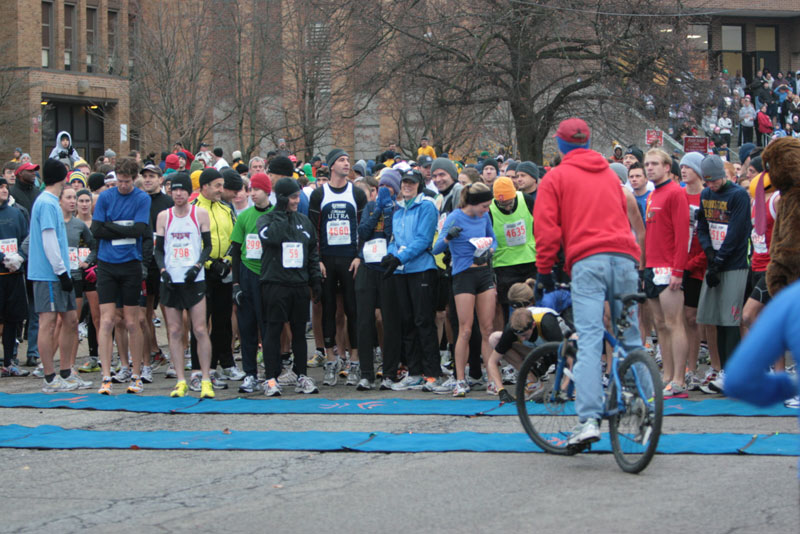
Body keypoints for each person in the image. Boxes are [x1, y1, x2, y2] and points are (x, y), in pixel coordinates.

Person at [534, 118, 643, 447]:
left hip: (588, 260)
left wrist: (544, 270)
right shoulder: (611, 174)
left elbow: (547, 228)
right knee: (632, 338)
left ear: (562, 145)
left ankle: (589, 419)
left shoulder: (556, 177)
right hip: (624, 258)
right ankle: (643, 411)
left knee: (591, 339)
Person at [90, 157, 151, 395]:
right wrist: (122, 228)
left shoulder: (141, 198)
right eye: (120, 181)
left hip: (130, 265)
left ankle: (136, 374)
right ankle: (106, 375)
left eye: (127, 181)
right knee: (106, 320)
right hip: (107, 264)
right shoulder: (106, 197)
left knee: (131, 321)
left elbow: (139, 230)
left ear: (134, 179)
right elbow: (96, 230)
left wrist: (111, 226)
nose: (123, 186)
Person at [257, 177, 322, 396]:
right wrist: (281, 213)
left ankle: (301, 374)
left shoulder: (304, 222)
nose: (297, 201)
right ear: (283, 198)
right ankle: (271, 378)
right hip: (275, 284)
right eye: (293, 197)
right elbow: (272, 238)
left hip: (298, 284)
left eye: (297, 196)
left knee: (299, 332)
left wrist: (315, 281)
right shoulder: (266, 219)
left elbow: (312, 253)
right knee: (274, 330)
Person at [432, 182, 497, 396]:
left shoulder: (484, 217)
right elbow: (437, 249)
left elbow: (493, 239)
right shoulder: (455, 217)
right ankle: (460, 379)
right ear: (474, 203)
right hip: (463, 275)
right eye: (484, 206)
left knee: (487, 329)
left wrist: (490, 251)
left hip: (484, 272)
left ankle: (492, 378)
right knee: (465, 329)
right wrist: (449, 236)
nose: (486, 210)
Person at [154, 173, 215, 399]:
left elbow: (207, 246)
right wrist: (162, 270)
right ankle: (181, 380)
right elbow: (158, 249)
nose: (178, 194)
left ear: (190, 193)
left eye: (182, 190)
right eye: (174, 190)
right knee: (175, 330)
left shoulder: (199, 213)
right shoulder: (164, 216)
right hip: (171, 279)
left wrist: (197, 266)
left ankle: (206, 378)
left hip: (194, 279)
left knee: (199, 329)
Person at [308, 149, 367, 385]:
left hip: (350, 259)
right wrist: (318, 259)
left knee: (353, 309)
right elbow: (313, 229)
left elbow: (363, 228)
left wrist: (360, 256)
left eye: (348, 160)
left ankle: (354, 360)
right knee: (329, 309)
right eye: (342, 160)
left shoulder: (356, 193)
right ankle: (331, 358)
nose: (347, 163)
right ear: (332, 166)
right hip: (327, 260)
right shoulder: (319, 194)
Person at [695, 155, 751, 395]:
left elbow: (737, 233)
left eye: (715, 181)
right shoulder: (706, 195)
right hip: (715, 262)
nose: (711, 186)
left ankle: (734, 372)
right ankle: (724, 371)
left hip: (734, 264)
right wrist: (709, 253)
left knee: (731, 320)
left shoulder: (737, 195)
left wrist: (718, 261)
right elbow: (703, 227)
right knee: (715, 319)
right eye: (707, 182)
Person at [380, 169, 440, 391]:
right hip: (402, 271)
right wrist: (390, 254)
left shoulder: (426, 206)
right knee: (407, 322)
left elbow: (423, 240)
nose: (407, 186)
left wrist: (398, 257)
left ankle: (433, 373)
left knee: (423, 321)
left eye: (411, 183)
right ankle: (414, 372)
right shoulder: (398, 209)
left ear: (419, 185)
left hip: (421, 269)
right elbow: (395, 239)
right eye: (404, 182)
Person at [27, 159, 80, 392]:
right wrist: (60, 271)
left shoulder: (51, 202)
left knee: (71, 320)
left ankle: (66, 372)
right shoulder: (47, 203)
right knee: (48, 323)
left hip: (59, 273)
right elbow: (49, 240)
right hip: (49, 274)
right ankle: (49, 377)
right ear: (63, 177)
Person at [642, 149, 690, 398]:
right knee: (660, 324)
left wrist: (678, 270)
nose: (649, 168)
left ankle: (680, 378)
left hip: (669, 268)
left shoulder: (675, 193)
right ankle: (667, 375)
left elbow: (683, 235)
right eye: (647, 164)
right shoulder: (652, 195)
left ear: (667, 167)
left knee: (674, 323)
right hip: (651, 265)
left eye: (654, 164)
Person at [354, 169, 398, 390]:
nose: (385, 191)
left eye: (389, 188)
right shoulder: (371, 207)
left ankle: (389, 373)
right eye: (382, 187)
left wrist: (389, 212)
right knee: (364, 321)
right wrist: (378, 210)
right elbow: (363, 232)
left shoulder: (397, 209)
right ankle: (366, 373)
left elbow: (392, 235)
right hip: (367, 266)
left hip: (387, 269)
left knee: (389, 321)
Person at [230, 172, 273, 393]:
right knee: (247, 327)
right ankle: (250, 374)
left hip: (269, 276)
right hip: (247, 274)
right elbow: (236, 252)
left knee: (269, 328)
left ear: (267, 191)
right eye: (251, 189)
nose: (253, 193)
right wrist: (236, 284)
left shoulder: (277, 214)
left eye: (256, 189)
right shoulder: (245, 217)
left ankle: (271, 374)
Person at [489, 176, 535, 326]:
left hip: (530, 260)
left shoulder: (526, 200)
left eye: (509, 203)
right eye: (502, 204)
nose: (507, 208)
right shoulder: (490, 209)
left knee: (532, 304)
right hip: (504, 265)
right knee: (509, 307)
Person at [0, 175, 29, 377]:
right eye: (0, 187)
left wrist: (19, 256)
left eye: (5, 187)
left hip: (15, 274)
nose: (4, 190)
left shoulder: (16, 213)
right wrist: (3, 258)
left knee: (12, 320)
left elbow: (26, 238)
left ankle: (9, 361)